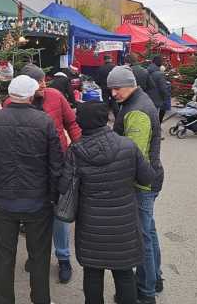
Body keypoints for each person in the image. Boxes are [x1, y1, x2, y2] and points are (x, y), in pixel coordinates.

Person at [0, 75, 63, 304]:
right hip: (38, 201)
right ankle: (41, 300)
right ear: (32, 94)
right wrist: (52, 196)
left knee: (4, 258)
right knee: (40, 257)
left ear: (10, 94)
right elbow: (56, 164)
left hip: (2, 200)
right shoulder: (44, 121)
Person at [59, 101, 155, 304]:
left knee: (93, 274)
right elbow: (147, 178)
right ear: (106, 119)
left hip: (91, 225)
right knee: (124, 272)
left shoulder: (75, 151)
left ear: (81, 123)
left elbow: (64, 187)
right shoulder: (128, 145)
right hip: (124, 225)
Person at [17, 64, 81, 283]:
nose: (44, 84)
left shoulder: (55, 96)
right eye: (39, 82)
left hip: (59, 164)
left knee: (60, 214)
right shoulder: (13, 102)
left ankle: (63, 258)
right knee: (34, 215)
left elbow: (71, 123)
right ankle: (36, 256)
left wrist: (79, 149)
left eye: (45, 80)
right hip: (31, 170)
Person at [107, 66, 164, 304]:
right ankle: (155, 279)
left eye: (117, 88)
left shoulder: (137, 111)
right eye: (111, 89)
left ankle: (145, 291)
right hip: (150, 178)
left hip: (142, 185)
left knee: (141, 239)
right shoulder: (135, 102)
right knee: (148, 231)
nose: (113, 94)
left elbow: (134, 156)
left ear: (130, 84)